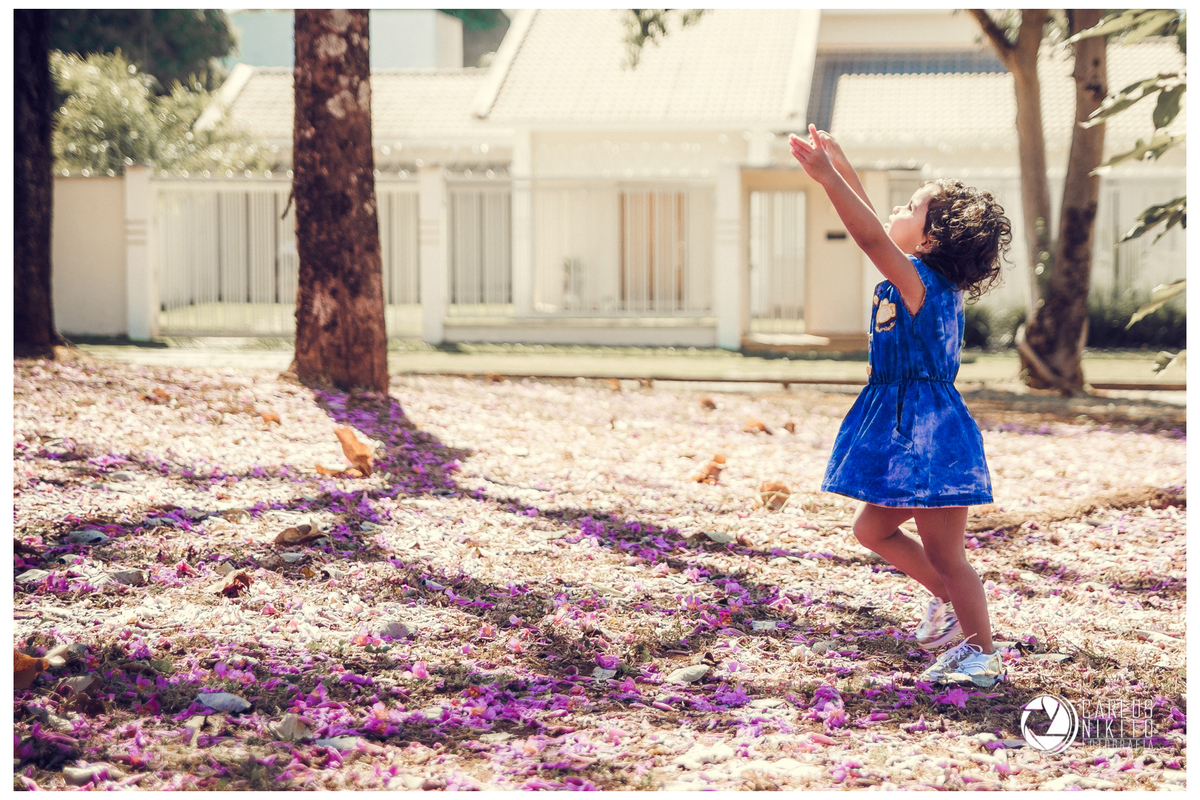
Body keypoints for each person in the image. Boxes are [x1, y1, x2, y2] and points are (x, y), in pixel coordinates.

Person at [790, 124, 1012, 688]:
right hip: (906, 432)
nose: (898, 208)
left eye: (912, 207)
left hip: (931, 438)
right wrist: (840, 166)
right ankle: (951, 609)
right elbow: (877, 227)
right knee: (872, 529)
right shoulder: (918, 275)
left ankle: (982, 655)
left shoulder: (921, 284)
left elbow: (870, 236)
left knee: (949, 557)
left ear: (930, 241)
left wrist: (828, 179)